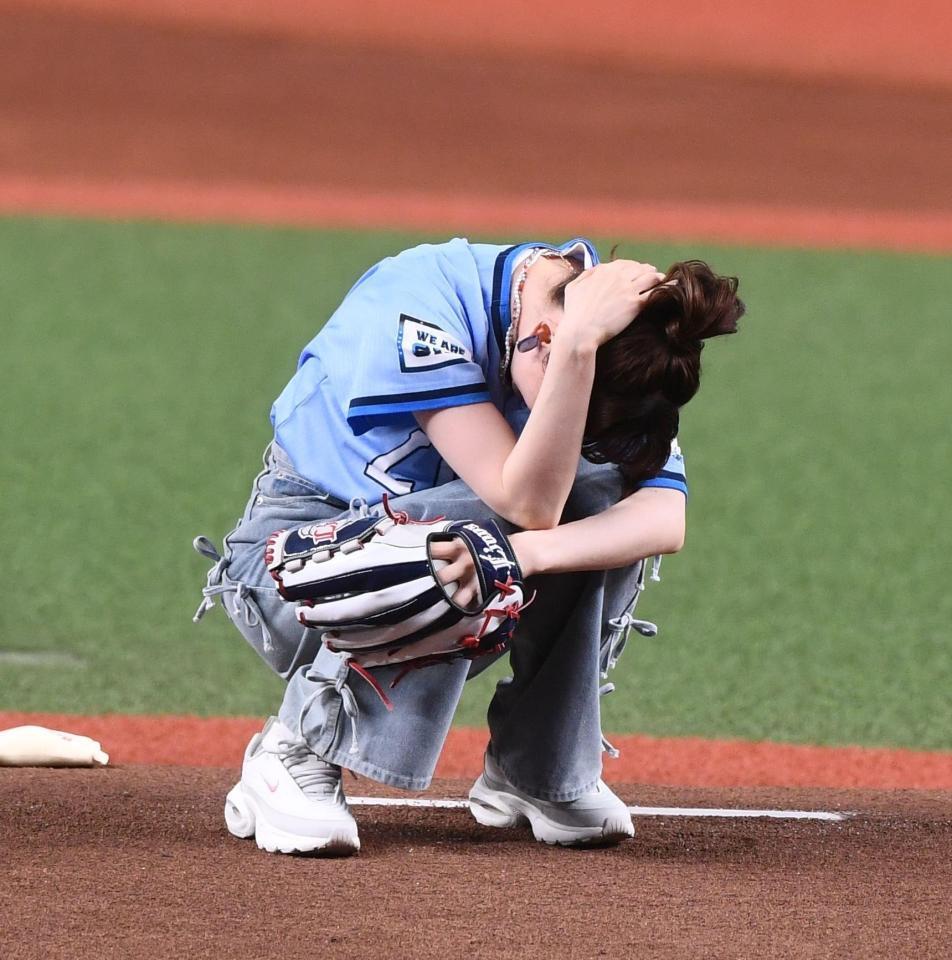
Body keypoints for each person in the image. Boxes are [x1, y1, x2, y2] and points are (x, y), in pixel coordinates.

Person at [193, 237, 743, 855]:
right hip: (293, 571)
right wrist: (577, 349)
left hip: (433, 565)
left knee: (591, 503)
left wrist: (530, 556)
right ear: (542, 337)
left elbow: (663, 518)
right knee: (515, 515)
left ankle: (536, 768)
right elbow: (527, 504)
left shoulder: (630, 332)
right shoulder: (422, 305)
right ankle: (297, 743)